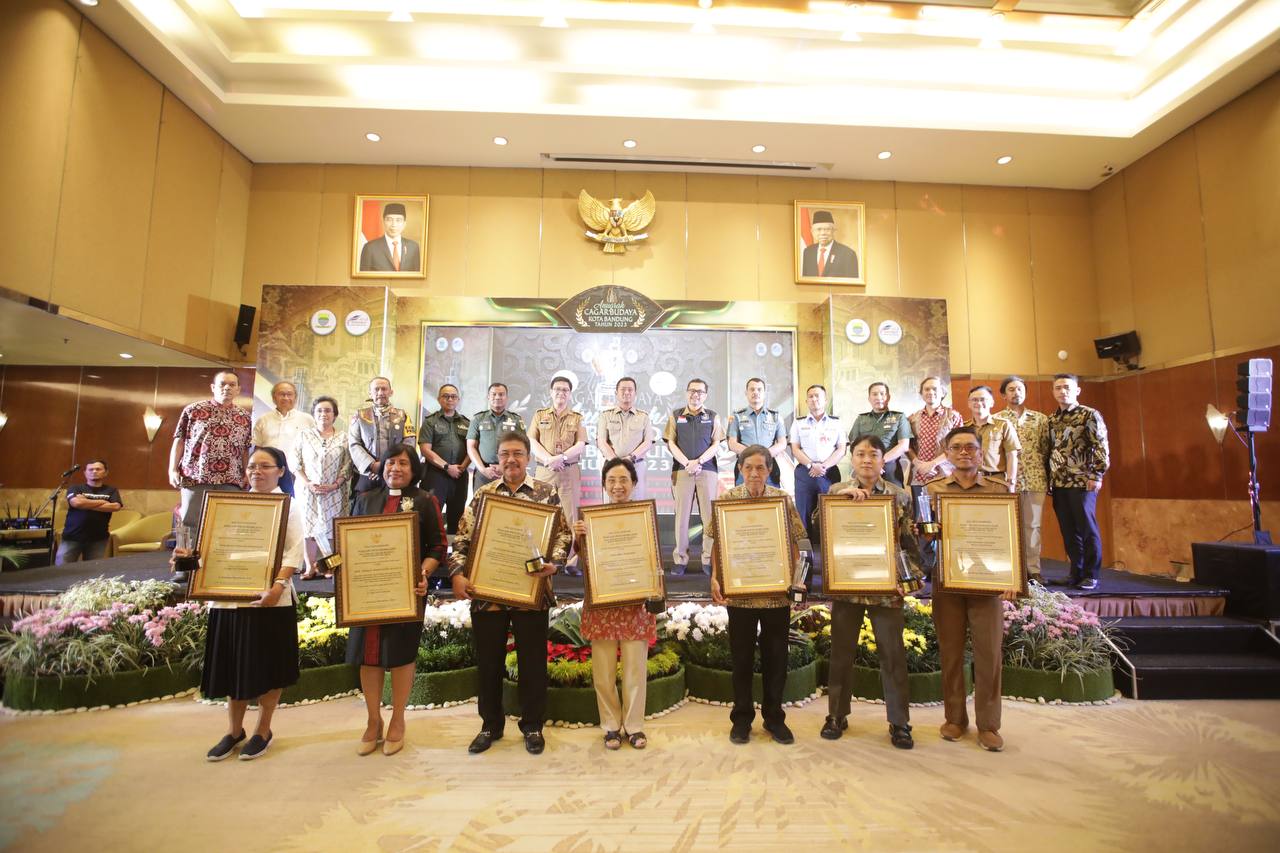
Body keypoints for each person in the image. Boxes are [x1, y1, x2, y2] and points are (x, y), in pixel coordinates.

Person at [450, 432, 570, 756]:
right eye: (504, 454)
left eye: (517, 453)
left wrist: (554, 564)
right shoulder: (483, 495)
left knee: (533, 663)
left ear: (528, 457)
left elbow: (563, 535)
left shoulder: (546, 494)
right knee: (488, 663)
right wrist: (458, 574)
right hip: (487, 594)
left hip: (531, 593)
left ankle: (532, 726)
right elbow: (461, 540)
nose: (511, 460)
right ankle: (490, 724)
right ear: (497, 459)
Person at [188, 445, 304, 762]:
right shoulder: (226, 505)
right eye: (252, 466)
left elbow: (294, 552)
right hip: (228, 598)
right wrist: (189, 561)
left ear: (281, 471)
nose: (257, 471)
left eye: (265, 466)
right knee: (232, 663)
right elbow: (211, 547)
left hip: (269, 600)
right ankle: (233, 730)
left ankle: (263, 729)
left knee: (268, 665)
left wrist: (277, 587)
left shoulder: (288, 506)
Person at [822, 435, 922, 750]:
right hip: (847, 587)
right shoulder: (836, 492)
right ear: (852, 459)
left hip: (885, 589)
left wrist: (908, 581)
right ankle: (836, 715)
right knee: (841, 655)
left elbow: (909, 543)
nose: (867, 460)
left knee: (893, 656)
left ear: (883, 460)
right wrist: (838, 502)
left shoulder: (899, 496)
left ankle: (899, 722)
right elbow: (819, 530)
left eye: (874, 454)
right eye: (861, 454)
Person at [347, 444, 446, 756]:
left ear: (413, 469)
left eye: (404, 463)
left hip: (407, 592)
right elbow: (348, 542)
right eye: (391, 462)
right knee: (368, 656)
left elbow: (437, 546)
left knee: (401, 655)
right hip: (366, 595)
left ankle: (398, 720)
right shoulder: (364, 500)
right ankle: (373, 721)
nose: (396, 468)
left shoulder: (424, 500)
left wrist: (424, 573)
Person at [925, 427, 1017, 753]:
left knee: (988, 654)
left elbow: (1011, 534)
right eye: (956, 447)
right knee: (950, 652)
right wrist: (924, 530)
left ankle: (989, 725)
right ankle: (955, 718)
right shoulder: (932, 490)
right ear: (946, 452)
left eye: (970, 447)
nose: (964, 452)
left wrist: (1012, 579)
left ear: (980, 452)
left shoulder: (998, 488)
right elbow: (922, 533)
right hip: (947, 580)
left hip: (986, 582)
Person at [709, 445, 806, 745]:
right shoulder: (727, 500)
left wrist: (795, 579)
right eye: (748, 467)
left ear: (769, 470)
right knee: (741, 658)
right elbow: (718, 544)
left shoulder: (782, 499)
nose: (754, 473)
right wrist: (715, 576)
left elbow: (795, 541)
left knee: (776, 657)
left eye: (760, 468)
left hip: (777, 593)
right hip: (740, 594)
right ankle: (741, 719)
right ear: (740, 469)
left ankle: (775, 718)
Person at [572, 458, 657, 751]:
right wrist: (578, 538)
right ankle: (610, 726)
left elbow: (653, 561)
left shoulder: (644, 516)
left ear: (633, 483)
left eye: (623, 480)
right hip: (603, 604)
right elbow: (585, 563)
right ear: (604, 485)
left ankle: (634, 727)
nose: (618, 486)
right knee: (603, 670)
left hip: (635, 603)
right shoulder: (591, 520)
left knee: (635, 669)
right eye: (611, 480)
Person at [169, 370, 252, 537]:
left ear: (238, 389)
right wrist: (172, 469)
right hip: (195, 476)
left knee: (227, 525)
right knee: (191, 523)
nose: (227, 388)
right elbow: (179, 440)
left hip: (230, 479)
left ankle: (219, 562)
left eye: (232, 385)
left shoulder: (245, 416)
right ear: (213, 387)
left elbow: (245, 448)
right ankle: (187, 562)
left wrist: (246, 473)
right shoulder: (193, 410)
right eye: (222, 384)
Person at [1047, 374, 1110, 591]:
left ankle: (1091, 574)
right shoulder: (1052, 419)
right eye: (1058, 388)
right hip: (1059, 483)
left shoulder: (1089, 415)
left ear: (1077, 391)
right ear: (1053, 391)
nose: (1062, 391)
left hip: (1083, 482)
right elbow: (1050, 451)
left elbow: (1100, 445)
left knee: (1087, 528)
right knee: (1068, 530)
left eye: (1067, 387)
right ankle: (1076, 572)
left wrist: (1097, 475)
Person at [663, 378, 724, 575]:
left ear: (705, 395)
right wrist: (687, 463)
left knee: (708, 518)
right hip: (682, 471)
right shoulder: (676, 415)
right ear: (686, 393)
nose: (695, 394)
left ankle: (708, 559)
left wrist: (698, 462)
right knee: (681, 517)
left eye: (699, 391)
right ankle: (680, 559)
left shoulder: (713, 416)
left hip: (707, 470)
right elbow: (670, 443)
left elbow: (716, 444)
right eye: (692, 391)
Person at [529, 376, 588, 573]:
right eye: (557, 389)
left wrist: (560, 457)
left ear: (570, 394)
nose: (561, 393)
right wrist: (548, 459)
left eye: (565, 390)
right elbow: (531, 440)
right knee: (541, 515)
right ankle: (540, 559)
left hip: (568, 472)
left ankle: (570, 562)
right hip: (544, 471)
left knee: (571, 517)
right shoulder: (540, 415)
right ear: (551, 392)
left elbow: (580, 445)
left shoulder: (577, 418)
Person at [288, 396, 351, 580]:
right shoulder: (303, 435)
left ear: (335, 415)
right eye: (320, 411)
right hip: (308, 490)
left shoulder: (344, 438)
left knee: (332, 529)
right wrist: (307, 483)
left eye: (328, 410)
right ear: (314, 415)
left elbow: (348, 465)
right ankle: (310, 567)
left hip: (335, 491)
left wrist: (335, 484)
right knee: (308, 529)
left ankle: (329, 567)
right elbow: (294, 462)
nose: (324, 414)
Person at [995, 376, 1051, 583]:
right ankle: (1012, 569)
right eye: (1011, 389)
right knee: (1008, 526)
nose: (1016, 393)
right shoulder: (997, 420)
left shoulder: (1040, 419)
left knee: (1033, 526)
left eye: (1019, 389)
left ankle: (1033, 569)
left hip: (1035, 479)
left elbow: (1046, 449)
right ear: (1003, 394)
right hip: (1007, 482)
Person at [789, 384, 846, 544]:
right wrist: (810, 465)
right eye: (811, 396)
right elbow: (795, 448)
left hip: (829, 472)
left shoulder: (836, 422)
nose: (814, 399)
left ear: (825, 400)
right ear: (806, 401)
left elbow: (841, 449)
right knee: (804, 512)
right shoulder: (799, 423)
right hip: (805, 472)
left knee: (828, 512)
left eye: (817, 396)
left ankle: (829, 549)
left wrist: (824, 466)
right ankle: (806, 553)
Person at [347, 376, 416, 502]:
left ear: (391, 392)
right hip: (367, 475)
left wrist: (388, 466)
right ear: (370, 393)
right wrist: (372, 466)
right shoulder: (359, 415)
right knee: (364, 512)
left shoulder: (403, 416)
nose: (380, 393)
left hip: (395, 473)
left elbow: (409, 443)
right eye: (376, 389)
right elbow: (354, 443)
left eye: (384, 389)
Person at [420, 384, 471, 534]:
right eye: (445, 396)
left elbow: (472, 449)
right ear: (438, 399)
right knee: (431, 516)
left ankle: (453, 554)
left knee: (457, 518)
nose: (449, 399)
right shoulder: (430, 422)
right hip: (436, 476)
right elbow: (425, 450)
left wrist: (462, 467)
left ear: (458, 399)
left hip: (459, 476)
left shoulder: (467, 423)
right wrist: (447, 467)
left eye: (453, 396)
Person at [251, 381, 315, 497]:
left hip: (297, 473)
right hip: (269, 472)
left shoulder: (307, 420)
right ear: (274, 397)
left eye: (289, 394)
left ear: (295, 397)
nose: (286, 398)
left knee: (292, 506)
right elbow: (257, 449)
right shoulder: (263, 419)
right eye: (281, 394)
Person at [596, 376, 654, 501]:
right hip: (611, 467)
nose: (626, 392)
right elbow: (601, 442)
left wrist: (630, 458)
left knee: (637, 503)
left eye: (630, 390)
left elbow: (648, 442)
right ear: (616, 393)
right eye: (623, 389)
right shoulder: (605, 415)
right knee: (610, 504)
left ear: (635, 393)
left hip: (636, 466)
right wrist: (616, 462)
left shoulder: (644, 417)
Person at [56, 460, 122, 564]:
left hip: (98, 539)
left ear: (105, 472)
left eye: (98, 469)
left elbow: (116, 506)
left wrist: (85, 503)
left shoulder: (111, 490)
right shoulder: (75, 488)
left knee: (93, 572)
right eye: (91, 469)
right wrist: (102, 501)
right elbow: (76, 503)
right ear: (85, 473)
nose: (94, 471)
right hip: (72, 537)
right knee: (62, 569)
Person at [726, 377, 788, 487]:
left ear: (764, 393)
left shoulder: (775, 417)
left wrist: (764, 455)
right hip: (745, 467)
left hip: (769, 467)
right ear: (746, 393)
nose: (756, 392)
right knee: (744, 502)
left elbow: (782, 443)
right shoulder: (737, 416)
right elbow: (732, 443)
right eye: (752, 389)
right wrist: (752, 456)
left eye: (759, 389)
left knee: (770, 502)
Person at [849, 382, 912, 488]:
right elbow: (853, 444)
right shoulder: (861, 419)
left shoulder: (899, 417)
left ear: (888, 397)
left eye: (882, 394)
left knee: (894, 502)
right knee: (864, 502)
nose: (879, 397)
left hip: (890, 468)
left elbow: (904, 446)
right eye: (874, 394)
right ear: (869, 398)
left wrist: (880, 462)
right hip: (865, 469)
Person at [466, 382, 527, 491]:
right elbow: (471, 447)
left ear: (506, 397)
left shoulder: (516, 420)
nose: (497, 397)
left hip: (509, 471)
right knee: (481, 506)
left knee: (507, 506)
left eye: (501, 394)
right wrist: (483, 469)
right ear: (488, 397)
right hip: (483, 472)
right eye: (494, 394)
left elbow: (523, 448)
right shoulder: (478, 419)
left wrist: (504, 466)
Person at [965, 385, 1020, 491]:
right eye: (974, 400)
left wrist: (1011, 483)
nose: (979, 403)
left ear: (991, 402)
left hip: (996, 481)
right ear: (969, 404)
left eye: (983, 399)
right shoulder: (963, 428)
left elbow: (1012, 455)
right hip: (969, 481)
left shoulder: (1003, 425)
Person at [358, 202, 421, 272]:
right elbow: (364, 279)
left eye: (398, 220)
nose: (394, 224)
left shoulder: (413, 247)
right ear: (383, 221)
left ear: (404, 224)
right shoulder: (370, 248)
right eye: (389, 219)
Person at [801, 210, 858, 278]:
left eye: (827, 229)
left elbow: (852, 285)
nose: (823, 233)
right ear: (812, 231)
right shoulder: (808, 252)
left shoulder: (848, 254)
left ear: (833, 231)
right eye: (819, 229)